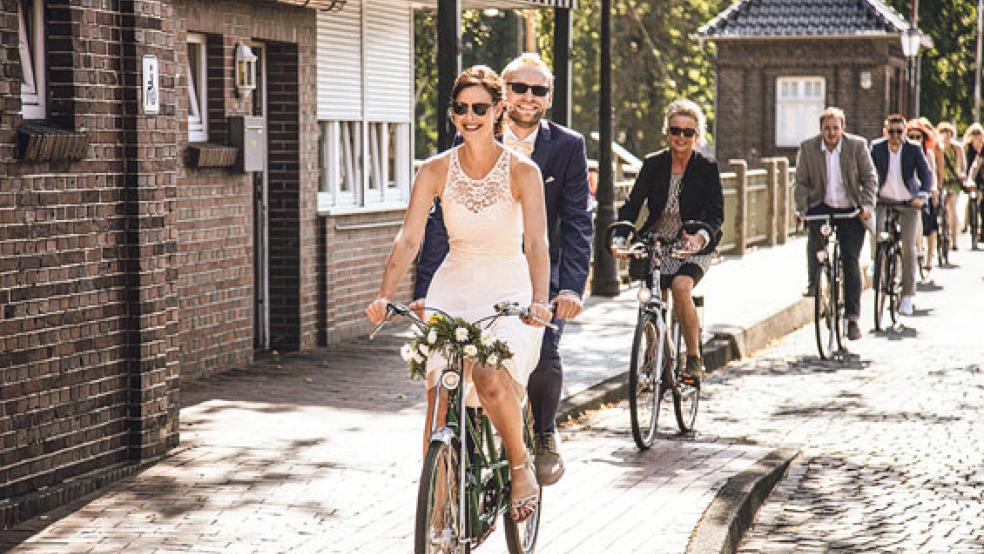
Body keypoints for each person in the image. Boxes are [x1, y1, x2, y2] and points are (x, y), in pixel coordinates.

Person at [365, 66, 552, 522]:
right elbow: (408, 239)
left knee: (489, 377)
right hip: (453, 283)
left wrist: (540, 301)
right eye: (462, 108)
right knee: (439, 393)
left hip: (507, 287)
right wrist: (384, 294)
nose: (470, 116)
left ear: (498, 111)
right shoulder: (434, 170)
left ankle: (521, 465)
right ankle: (440, 497)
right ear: (454, 115)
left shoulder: (523, 172)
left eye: (480, 108)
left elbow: (536, 244)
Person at [414, 53, 592, 487]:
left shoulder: (567, 146)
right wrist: (423, 289)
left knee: (543, 355)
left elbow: (575, 220)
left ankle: (543, 435)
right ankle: (459, 468)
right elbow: (438, 225)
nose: (529, 97)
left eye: (539, 90)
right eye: (520, 88)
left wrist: (568, 287)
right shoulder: (469, 127)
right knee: (454, 374)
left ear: (548, 98)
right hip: (464, 277)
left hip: (532, 274)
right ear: (503, 94)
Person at [611, 99, 723, 381]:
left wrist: (699, 238)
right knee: (651, 297)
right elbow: (632, 205)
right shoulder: (653, 164)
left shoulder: (707, 168)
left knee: (681, 287)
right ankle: (656, 350)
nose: (681, 137)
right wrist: (623, 236)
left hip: (692, 243)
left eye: (688, 132)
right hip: (657, 241)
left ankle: (694, 359)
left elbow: (716, 214)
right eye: (676, 130)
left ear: (697, 136)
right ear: (667, 132)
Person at [794, 107, 877, 340]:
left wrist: (867, 206)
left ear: (843, 128)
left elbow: (870, 178)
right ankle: (814, 282)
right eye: (826, 128)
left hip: (851, 208)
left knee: (850, 259)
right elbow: (800, 182)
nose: (831, 133)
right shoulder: (808, 148)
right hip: (821, 203)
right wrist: (800, 209)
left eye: (835, 128)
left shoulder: (857, 146)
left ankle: (852, 318)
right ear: (820, 130)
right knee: (817, 244)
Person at [870, 114, 933, 316]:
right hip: (883, 200)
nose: (895, 136)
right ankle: (876, 262)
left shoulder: (913, 149)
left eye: (899, 131)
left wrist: (922, 195)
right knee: (876, 232)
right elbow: (867, 174)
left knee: (908, 247)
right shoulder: (876, 148)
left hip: (908, 203)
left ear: (905, 132)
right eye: (891, 131)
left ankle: (907, 296)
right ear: (884, 132)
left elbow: (926, 174)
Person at [908, 119, 940, 275]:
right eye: (911, 136)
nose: (914, 140)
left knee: (928, 222)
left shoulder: (928, 154)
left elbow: (931, 173)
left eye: (917, 137)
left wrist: (932, 189)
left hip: (923, 192)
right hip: (907, 194)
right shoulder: (903, 152)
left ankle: (926, 255)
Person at [937, 121, 965, 250]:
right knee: (939, 208)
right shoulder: (937, 148)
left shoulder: (957, 148)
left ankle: (954, 241)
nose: (946, 137)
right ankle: (939, 234)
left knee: (952, 208)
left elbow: (961, 165)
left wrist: (961, 174)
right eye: (943, 134)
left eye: (949, 134)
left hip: (953, 182)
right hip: (941, 182)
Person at [963, 122, 984, 240]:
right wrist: (969, 178)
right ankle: (968, 225)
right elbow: (975, 164)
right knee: (972, 197)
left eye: (978, 133)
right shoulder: (967, 147)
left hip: (981, 177)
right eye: (974, 133)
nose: (976, 135)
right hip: (971, 175)